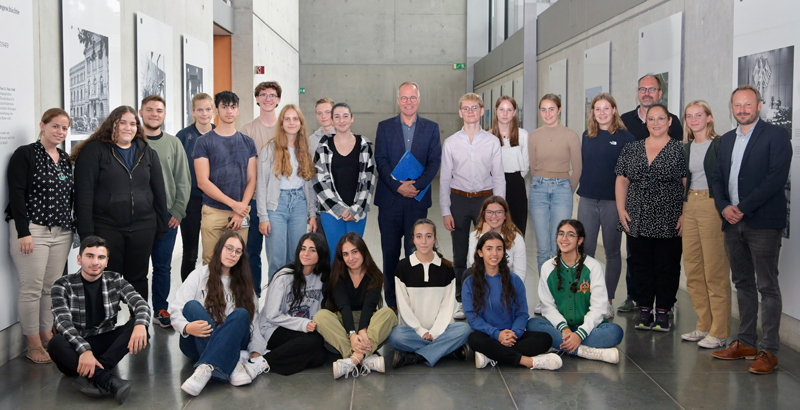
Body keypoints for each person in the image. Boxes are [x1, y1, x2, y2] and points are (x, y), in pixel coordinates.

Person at [710, 85, 792, 375]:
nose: (742, 110)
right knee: (742, 283)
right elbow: (717, 177)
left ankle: (769, 350)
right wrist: (723, 206)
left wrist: (742, 207)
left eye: (748, 105)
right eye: (737, 105)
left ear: (759, 106)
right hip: (731, 222)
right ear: (731, 108)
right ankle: (745, 342)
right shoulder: (728, 139)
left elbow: (775, 179)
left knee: (767, 286)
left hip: (763, 222)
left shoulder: (776, 136)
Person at [72, 105, 168, 301]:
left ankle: (139, 326)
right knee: (106, 280)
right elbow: (83, 195)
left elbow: (159, 192)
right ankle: (105, 328)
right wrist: (86, 235)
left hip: (143, 227)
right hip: (107, 227)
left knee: (139, 279)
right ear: (112, 125)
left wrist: (161, 226)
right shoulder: (94, 151)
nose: (128, 128)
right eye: (122, 123)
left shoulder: (147, 152)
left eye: (133, 124)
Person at [6, 108, 74, 364]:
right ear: (42, 126)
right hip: (32, 229)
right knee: (31, 289)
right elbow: (17, 193)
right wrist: (22, 231)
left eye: (64, 128)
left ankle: (47, 335)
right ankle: (33, 343)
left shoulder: (65, 159)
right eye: (55, 126)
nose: (60, 132)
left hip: (61, 232)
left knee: (51, 288)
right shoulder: (26, 154)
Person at [48, 236, 150, 404]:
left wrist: (140, 324)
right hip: (74, 350)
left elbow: (141, 304)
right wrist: (84, 351)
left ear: (107, 261)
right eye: (90, 256)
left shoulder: (115, 279)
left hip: (103, 343)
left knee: (138, 325)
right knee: (55, 343)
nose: (95, 262)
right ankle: (108, 379)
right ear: (79, 258)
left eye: (101, 257)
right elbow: (62, 323)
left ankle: (93, 375)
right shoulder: (62, 284)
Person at [615, 103, 686, 332]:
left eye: (661, 118)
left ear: (669, 121)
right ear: (646, 122)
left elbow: (687, 184)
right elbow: (622, 180)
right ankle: (645, 311)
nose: (656, 123)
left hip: (669, 217)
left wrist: (685, 214)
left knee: (667, 266)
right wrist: (620, 209)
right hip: (637, 216)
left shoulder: (680, 149)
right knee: (641, 265)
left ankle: (663, 311)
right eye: (652, 119)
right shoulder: (632, 148)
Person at [374, 81, 442, 309]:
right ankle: (392, 302)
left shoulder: (431, 128)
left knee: (415, 252)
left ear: (419, 100)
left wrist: (417, 185)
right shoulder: (384, 127)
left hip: (417, 200)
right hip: (390, 200)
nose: (408, 102)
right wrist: (397, 186)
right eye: (404, 98)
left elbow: (434, 162)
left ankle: (414, 300)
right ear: (398, 101)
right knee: (390, 252)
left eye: (412, 98)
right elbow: (380, 161)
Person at [440, 93, 504, 320]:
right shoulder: (451, 143)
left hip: (484, 201)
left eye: (474, 107)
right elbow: (445, 179)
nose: (470, 112)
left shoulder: (492, 141)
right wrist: (446, 210)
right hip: (458, 200)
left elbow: (498, 177)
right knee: (459, 254)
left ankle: (485, 296)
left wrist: (498, 210)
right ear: (460, 112)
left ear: (482, 111)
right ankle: (461, 299)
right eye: (465, 108)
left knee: (487, 250)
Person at [170, 231, 258, 396]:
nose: (232, 254)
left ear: (241, 256)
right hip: (196, 341)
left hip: (234, 341)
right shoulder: (199, 275)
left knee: (242, 314)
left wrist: (255, 350)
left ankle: (206, 367)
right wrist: (187, 327)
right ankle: (233, 362)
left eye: (237, 251)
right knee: (192, 306)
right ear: (219, 249)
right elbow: (176, 308)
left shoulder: (245, 283)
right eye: (229, 248)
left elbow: (255, 322)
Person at [526, 220, 623, 364]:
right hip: (561, 328)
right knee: (532, 324)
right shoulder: (548, 267)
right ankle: (586, 352)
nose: (564, 239)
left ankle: (561, 346)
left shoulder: (593, 266)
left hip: (590, 328)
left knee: (615, 332)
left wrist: (580, 334)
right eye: (561, 234)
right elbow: (547, 307)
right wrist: (564, 329)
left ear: (580, 240)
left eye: (570, 235)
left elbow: (599, 308)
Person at [463, 232, 561, 370]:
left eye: (499, 249)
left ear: (504, 252)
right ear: (480, 252)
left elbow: (522, 313)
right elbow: (473, 318)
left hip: (513, 336)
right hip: (488, 335)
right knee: (475, 339)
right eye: (489, 248)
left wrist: (513, 334)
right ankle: (527, 361)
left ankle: (492, 356)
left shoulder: (514, 280)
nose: (494, 253)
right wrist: (497, 335)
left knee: (545, 339)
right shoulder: (469, 282)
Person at [577, 93, 635, 319]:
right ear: (593, 113)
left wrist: (624, 205)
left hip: (613, 202)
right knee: (586, 252)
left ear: (614, 110)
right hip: (588, 200)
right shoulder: (586, 135)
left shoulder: (626, 138)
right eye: (597, 109)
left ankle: (608, 300)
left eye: (605, 108)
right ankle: (586, 298)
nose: (601, 113)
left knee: (612, 252)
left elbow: (629, 175)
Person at [679, 100, 731, 349]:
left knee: (715, 270)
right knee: (693, 268)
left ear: (709, 117)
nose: (693, 119)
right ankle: (703, 324)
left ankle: (719, 331)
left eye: (699, 115)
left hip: (711, 206)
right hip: (690, 205)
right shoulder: (687, 148)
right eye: (689, 116)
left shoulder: (720, 144)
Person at [388, 219, 471, 368]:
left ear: (435, 238)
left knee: (464, 330)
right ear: (413, 239)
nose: (424, 241)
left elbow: (447, 306)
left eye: (428, 236)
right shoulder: (403, 267)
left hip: (441, 329)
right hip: (412, 331)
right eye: (419, 236)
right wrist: (420, 331)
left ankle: (415, 356)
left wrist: (435, 332)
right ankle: (447, 351)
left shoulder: (446, 268)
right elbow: (403, 306)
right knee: (395, 336)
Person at [245, 233, 330, 378]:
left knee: (321, 356)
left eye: (312, 250)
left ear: (321, 254)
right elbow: (272, 315)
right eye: (303, 249)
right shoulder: (284, 277)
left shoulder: (322, 278)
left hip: (299, 330)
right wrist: (303, 324)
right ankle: (261, 362)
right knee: (314, 342)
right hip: (274, 328)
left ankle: (273, 358)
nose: (306, 254)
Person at [313, 232, 397, 379]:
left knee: (388, 313)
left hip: (369, 324)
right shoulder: (338, 275)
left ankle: (352, 360)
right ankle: (362, 357)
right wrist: (352, 334)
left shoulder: (375, 275)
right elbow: (343, 306)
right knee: (321, 316)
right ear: (341, 257)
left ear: (363, 251)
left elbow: (369, 306)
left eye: (354, 252)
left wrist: (363, 330)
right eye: (345, 254)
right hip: (343, 324)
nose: (351, 258)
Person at [140, 95, 191, 328]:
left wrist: (178, 211)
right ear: (141, 112)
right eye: (149, 110)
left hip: (166, 217)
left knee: (162, 266)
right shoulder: (132, 142)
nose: (154, 114)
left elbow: (183, 179)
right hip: (137, 218)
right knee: (137, 269)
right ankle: (137, 311)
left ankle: (161, 307)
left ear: (164, 114)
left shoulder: (173, 143)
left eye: (159, 110)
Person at [193, 91, 257, 276]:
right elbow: (202, 182)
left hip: (241, 213)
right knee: (210, 264)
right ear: (216, 110)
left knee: (238, 263)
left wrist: (240, 209)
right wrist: (234, 205)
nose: (229, 111)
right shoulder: (203, 142)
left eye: (233, 107)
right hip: (213, 212)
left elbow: (252, 179)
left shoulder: (248, 142)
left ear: (238, 111)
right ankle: (212, 304)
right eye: (224, 106)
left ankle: (236, 304)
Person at [256, 104, 318, 282]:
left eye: (295, 119)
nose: (291, 122)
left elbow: (310, 184)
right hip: (276, 206)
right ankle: (275, 303)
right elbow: (261, 185)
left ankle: (294, 301)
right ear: (281, 123)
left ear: (301, 123)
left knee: (297, 257)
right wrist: (263, 216)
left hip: (299, 204)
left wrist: (312, 213)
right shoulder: (269, 149)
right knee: (277, 259)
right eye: (287, 119)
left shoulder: (306, 149)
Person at [528, 93, 581, 281]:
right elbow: (533, 166)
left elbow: (577, 168)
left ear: (559, 110)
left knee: (560, 244)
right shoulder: (534, 136)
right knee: (543, 247)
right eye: (543, 109)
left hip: (562, 190)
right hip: (538, 190)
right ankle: (545, 294)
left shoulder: (570, 135)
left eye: (552, 109)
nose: (548, 113)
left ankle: (559, 290)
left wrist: (567, 190)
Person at [312, 102, 376, 258]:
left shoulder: (364, 145)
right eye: (337, 117)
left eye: (345, 116)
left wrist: (356, 209)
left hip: (358, 212)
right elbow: (319, 181)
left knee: (354, 255)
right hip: (330, 211)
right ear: (332, 121)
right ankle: (336, 284)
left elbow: (369, 180)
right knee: (336, 255)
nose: (342, 120)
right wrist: (340, 209)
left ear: (352, 119)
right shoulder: (323, 146)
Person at [240, 81, 282, 292]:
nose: (267, 99)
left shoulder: (286, 127)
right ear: (256, 99)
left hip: (279, 201)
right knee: (251, 252)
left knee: (278, 255)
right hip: (254, 201)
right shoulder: (247, 130)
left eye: (272, 95)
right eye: (263, 95)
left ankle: (278, 295)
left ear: (278, 100)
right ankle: (253, 295)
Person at [176, 93, 216, 282]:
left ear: (214, 110)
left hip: (216, 201)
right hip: (191, 200)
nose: (204, 113)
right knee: (190, 251)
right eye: (199, 109)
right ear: (193, 111)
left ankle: (213, 292)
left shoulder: (221, 133)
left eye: (208, 109)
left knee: (215, 251)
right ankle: (187, 294)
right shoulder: (183, 137)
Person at [491, 95, 529, 235]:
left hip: (516, 184)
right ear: (496, 111)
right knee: (496, 231)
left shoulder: (523, 135)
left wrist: (515, 178)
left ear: (514, 112)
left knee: (517, 229)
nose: (505, 114)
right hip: (494, 184)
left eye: (509, 110)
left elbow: (525, 165)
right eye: (501, 109)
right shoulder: (488, 136)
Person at [466, 196, 526, 283]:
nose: (494, 216)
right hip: (482, 283)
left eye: (499, 212)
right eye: (489, 212)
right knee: (467, 274)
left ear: (505, 215)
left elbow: (520, 274)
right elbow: (473, 262)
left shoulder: (516, 238)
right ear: (484, 214)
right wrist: (483, 236)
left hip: (506, 284)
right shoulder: (475, 235)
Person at [309, 97, 336, 239]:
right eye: (320, 113)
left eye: (327, 112)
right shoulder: (312, 141)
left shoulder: (344, 137)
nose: (323, 116)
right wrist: (311, 212)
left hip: (342, 205)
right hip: (321, 207)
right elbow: (310, 179)